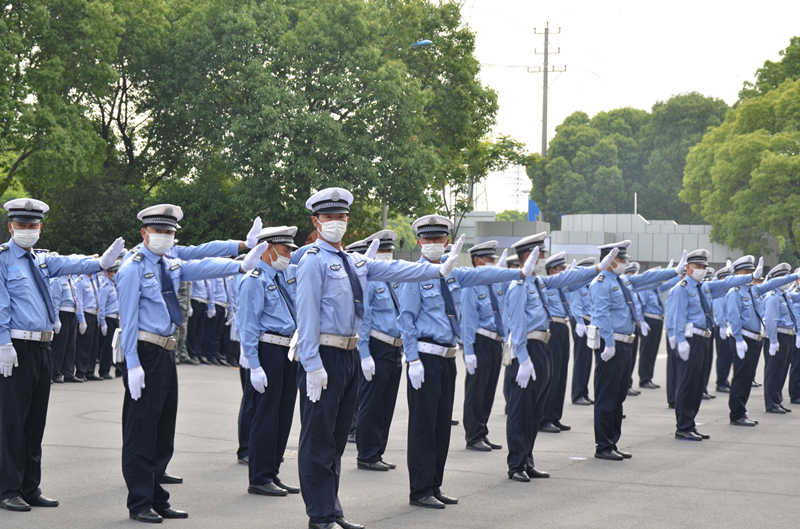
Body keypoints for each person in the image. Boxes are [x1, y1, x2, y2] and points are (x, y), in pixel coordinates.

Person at [295, 190, 458, 529]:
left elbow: (397, 269)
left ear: (347, 220)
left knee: (337, 440)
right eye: (328, 218)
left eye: (340, 217)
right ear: (315, 221)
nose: (335, 223)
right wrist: (311, 364)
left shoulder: (354, 262)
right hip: (324, 354)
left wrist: (437, 271)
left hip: (349, 353)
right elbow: (306, 315)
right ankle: (320, 515)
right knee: (319, 440)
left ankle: (332, 509)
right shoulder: (312, 260)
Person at [116, 204, 266, 523]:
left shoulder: (170, 262)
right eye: (160, 231)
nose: (166, 237)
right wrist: (131, 364)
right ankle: (139, 501)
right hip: (144, 350)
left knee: (162, 429)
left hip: (166, 351)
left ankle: (157, 496)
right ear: (144, 233)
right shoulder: (132, 267)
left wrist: (239, 261)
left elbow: (203, 261)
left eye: (170, 232)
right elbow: (127, 320)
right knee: (141, 430)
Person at [398, 215, 530, 510]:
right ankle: (419, 490)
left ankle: (434, 484)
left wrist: (518, 273)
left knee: (442, 426)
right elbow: (406, 320)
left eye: (438, 239)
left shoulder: (454, 274)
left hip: (446, 357)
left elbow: (485, 276)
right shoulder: (414, 275)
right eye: (428, 239)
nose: (433, 244)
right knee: (423, 426)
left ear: (447, 242)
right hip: (425, 357)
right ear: (419, 242)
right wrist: (413, 358)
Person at [0, 197, 124, 512]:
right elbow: (0, 306)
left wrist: (99, 263)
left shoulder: (43, 260)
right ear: (10, 226)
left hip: (43, 346)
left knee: (35, 423)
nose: (28, 230)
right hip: (15, 348)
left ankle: (30, 486)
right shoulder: (2, 260)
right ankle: (7, 489)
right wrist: (2, 344)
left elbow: (71, 263)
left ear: (41, 227)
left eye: (33, 225)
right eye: (22, 225)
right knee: (12, 423)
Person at [504, 235, 613, 482]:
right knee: (521, 410)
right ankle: (516, 465)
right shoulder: (518, 286)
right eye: (541, 255)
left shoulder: (539, 283)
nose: (544, 258)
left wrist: (597, 268)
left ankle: (527, 460)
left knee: (534, 410)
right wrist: (522, 359)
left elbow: (567, 278)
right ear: (529, 257)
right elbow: (516, 325)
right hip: (528, 349)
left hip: (542, 347)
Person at [590, 241, 685, 460]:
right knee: (606, 395)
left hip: (626, 343)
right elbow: (602, 315)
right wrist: (609, 343)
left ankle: (612, 441)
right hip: (611, 343)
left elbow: (645, 279)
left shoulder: (622, 280)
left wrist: (674, 271)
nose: (625, 263)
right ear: (609, 259)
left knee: (619, 395)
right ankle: (603, 445)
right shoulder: (601, 282)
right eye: (621, 259)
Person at [236, 226, 301, 497]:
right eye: (285, 250)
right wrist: (254, 364)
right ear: (268, 249)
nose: (289, 255)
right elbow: (248, 324)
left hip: (288, 351)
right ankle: (259, 477)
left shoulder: (285, 276)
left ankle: (273, 470)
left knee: (283, 415)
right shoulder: (254, 279)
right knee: (266, 415)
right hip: (268, 350)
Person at [670, 250, 757, 441]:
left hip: (703, 338)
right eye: (698, 266)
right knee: (687, 383)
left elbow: (727, 283)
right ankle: (682, 426)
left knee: (697, 383)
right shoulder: (681, 288)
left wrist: (751, 277)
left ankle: (690, 423)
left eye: (704, 267)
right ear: (688, 267)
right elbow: (676, 317)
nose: (702, 270)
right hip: (690, 339)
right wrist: (680, 341)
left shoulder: (705, 287)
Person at [725, 256, 798, 426]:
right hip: (743, 339)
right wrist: (737, 339)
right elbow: (734, 318)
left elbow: (774, 283)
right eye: (746, 272)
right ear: (736, 274)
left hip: (754, 340)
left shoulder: (753, 290)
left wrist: (794, 277)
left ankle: (741, 411)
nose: (750, 275)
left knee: (748, 377)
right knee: (741, 378)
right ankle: (736, 414)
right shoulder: (734, 292)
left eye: (751, 272)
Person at [355, 230, 405, 470]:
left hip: (395, 348)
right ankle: (367, 454)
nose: (387, 256)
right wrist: (364, 354)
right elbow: (364, 318)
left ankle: (378, 451)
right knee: (372, 403)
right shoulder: (370, 280)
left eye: (389, 251)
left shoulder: (393, 280)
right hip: (377, 345)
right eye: (383, 251)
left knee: (387, 403)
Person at [460, 241, 507, 451]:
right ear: (478, 260)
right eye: (490, 259)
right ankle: (473, 436)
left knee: (488, 390)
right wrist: (468, 352)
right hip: (480, 342)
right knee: (476, 391)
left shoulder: (495, 283)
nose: (493, 263)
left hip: (495, 342)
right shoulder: (471, 285)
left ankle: (483, 431)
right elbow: (468, 321)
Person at [539, 251, 579, 433]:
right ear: (552, 270)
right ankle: (545, 417)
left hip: (564, 326)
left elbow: (580, 286)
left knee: (562, 373)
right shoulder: (546, 285)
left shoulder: (563, 287)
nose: (564, 271)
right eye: (562, 269)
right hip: (553, 326)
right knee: (552, 374)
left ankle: (555, 416)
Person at [762, 263, 800, 414]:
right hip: (778, 336)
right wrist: (773, 340)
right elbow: (770, 320)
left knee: (782, 370)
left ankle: (777, 400)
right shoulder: (773, 297)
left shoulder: (784, 295)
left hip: (787, 336)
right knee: (773, 370)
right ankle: (771, 403)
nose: (787, 282)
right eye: (784, 279)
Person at [637, 266, 679, 389]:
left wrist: (675, 272)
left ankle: (649, 377)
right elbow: (641, 306)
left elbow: (671, 283)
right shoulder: (646, 289)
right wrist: (642, 322)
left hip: (658, 321)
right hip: (649, 320)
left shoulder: (657, 288)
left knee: (653, 350)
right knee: (647, 350)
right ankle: (644, 379)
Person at [565, 258, 596, 405]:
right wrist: (579, 322)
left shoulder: (589, 286)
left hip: (589, 322)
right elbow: (575, 305)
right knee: (581, 358)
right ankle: (577, 394)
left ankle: (584, 392)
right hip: (581, 322)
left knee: (587, 359)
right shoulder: (577, 287)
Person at [50, 272, 84, 383]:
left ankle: (69, 372)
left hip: (72, 314)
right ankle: (56, 373)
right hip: (63, 313)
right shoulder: (58, 280)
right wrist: (56, 319)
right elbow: (55, 301)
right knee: (60, 345)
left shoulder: (71, 281)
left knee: (71, 346)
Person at [97, 257, 123, 379]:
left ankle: (119, 369)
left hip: (116, 318)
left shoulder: (116, 286)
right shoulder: (105, 287)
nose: (116, 274)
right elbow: (101, 307)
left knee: (118, 346)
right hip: (108, 318)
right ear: (107, 273)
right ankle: (104, 370)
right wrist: (102, 323)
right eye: (114, 272)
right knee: (107, 346)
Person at [74, 272, 102, 381]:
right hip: (86, 314)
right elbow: (79, 302)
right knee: (84, 345)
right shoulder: (80, 281)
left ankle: (90, 371)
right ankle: (81, 371)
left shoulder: (92, 280)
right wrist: (81, 320)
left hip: (94, 314)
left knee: (94, 345)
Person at [713, 266, 734, 393]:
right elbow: (718, 313)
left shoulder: (728, 293)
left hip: (729, 327)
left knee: (729, 356)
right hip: (722, 327)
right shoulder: (719, 295)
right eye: (725, 278)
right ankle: (720, 382)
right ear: (720, 279)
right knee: (723, 356)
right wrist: (721, 326)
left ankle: (725, 381)